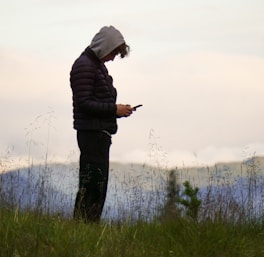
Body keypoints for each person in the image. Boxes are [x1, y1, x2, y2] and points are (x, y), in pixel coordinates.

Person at [70, 25, 135, 223]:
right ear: (105, 47)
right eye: (114, 52)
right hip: (92, 134)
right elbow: (84, 102)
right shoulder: (85, 65)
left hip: (98, 133)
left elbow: (95, 101)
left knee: (97, 186)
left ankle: (87, 227)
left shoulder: (95, 65)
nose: (114, 57)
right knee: (92, 186)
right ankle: (84, 226)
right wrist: (114, 110)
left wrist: (117, 112)